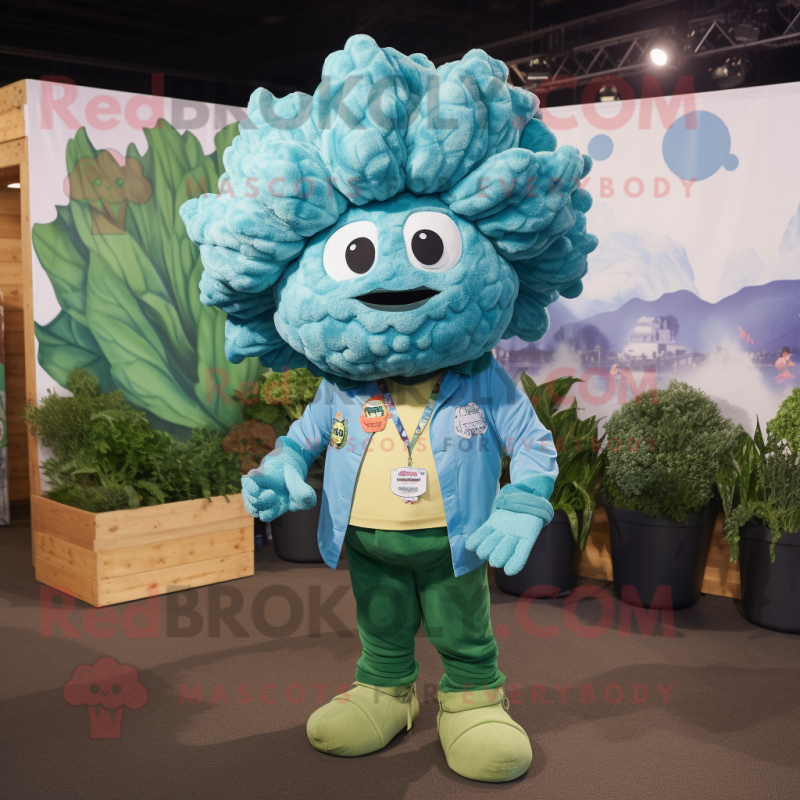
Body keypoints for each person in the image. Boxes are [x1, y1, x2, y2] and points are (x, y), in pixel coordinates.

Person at [181, 34, 597, 784]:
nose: (393, 277)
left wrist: (522, 502)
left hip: (453, 539)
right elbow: (302, 439)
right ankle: (386, 691)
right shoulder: (341, 388)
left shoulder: (483, 382)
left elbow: (535, 444)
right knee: (380, 624)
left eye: (429, 245)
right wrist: (280, 469)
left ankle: (473, 701)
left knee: (463, 627)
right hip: (368, 540)